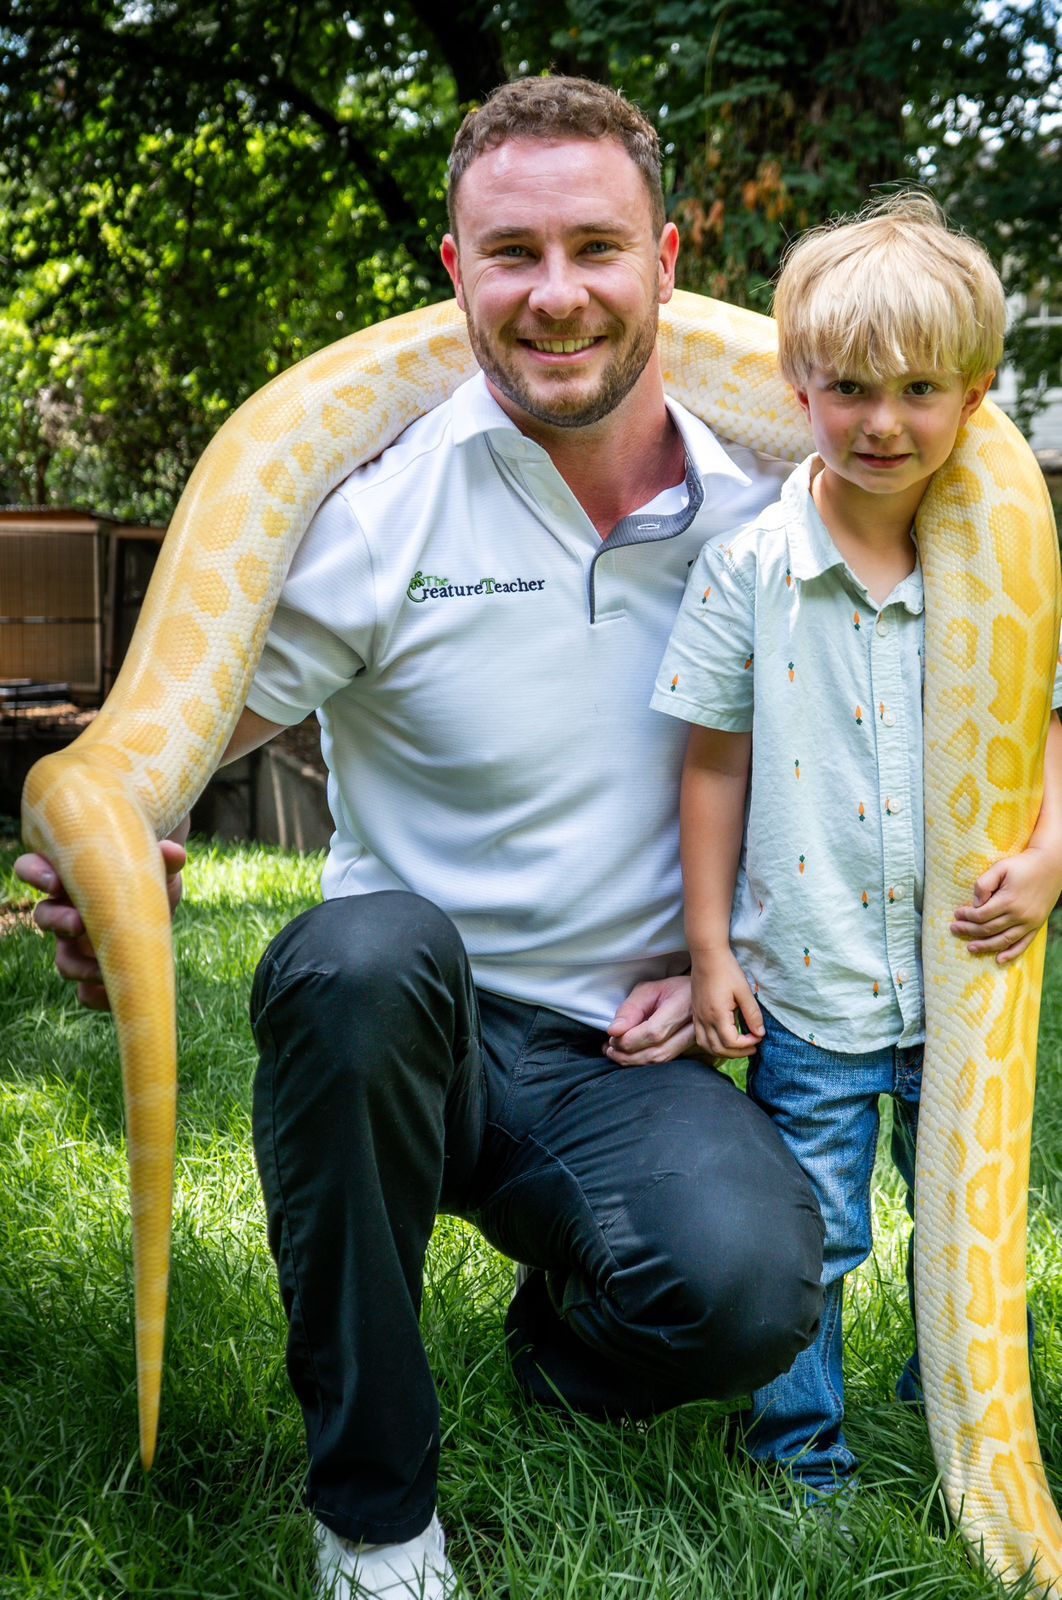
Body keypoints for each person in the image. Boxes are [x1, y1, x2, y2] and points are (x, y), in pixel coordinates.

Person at [17, 78, 825, 1599]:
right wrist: (104, 856)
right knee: (359, 955)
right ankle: (376, 1518)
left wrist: (754, 955)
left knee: (744, 1288)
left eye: (596, 247)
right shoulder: (375, 512)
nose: (557, 293)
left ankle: (559, 1347)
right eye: (510, 253)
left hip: (621, 1053)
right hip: (409, 1030)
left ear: (669, 259)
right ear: (455, 273)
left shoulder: (779, 518)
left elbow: (877, 763)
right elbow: (146, 760)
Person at [650, 191, 1062, 1504]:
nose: (882, 421)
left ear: (974, 393)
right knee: (815, 1237)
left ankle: (950, 1393)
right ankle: (797, 1457)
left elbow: (1048, 724)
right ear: (795, 387)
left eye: (918, 390)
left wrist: (1054, 852)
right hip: (812, 986)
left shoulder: (1004, 562)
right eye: (848, 389)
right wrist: (708, 948)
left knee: (967, 1229)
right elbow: (709, 760)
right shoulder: (746, 567)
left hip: (963, 982)